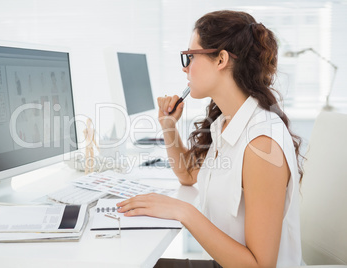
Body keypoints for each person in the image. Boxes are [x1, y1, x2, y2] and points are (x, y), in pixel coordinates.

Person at [117, 10, 304, 267]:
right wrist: (168, 125)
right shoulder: (226, 122)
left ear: (221, 60)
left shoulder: (262, 143)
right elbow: (188, 174)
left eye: (191, 57)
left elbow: (260, 265)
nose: (185, 67)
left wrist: (184, 212)